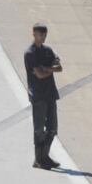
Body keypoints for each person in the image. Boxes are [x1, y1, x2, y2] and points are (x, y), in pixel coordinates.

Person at [24, 23, 62, 169]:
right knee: (39, 129)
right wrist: (49, 70)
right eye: (41, 35)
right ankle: (39, 159)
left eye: (45, 35)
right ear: (34, 34)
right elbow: (38, 75)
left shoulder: (47, 50)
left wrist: (45, 69)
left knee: (52, 128)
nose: (43, 37)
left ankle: (44, 157)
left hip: (50, 93)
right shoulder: (30, 53)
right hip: (38, 94)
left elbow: (59, 67)